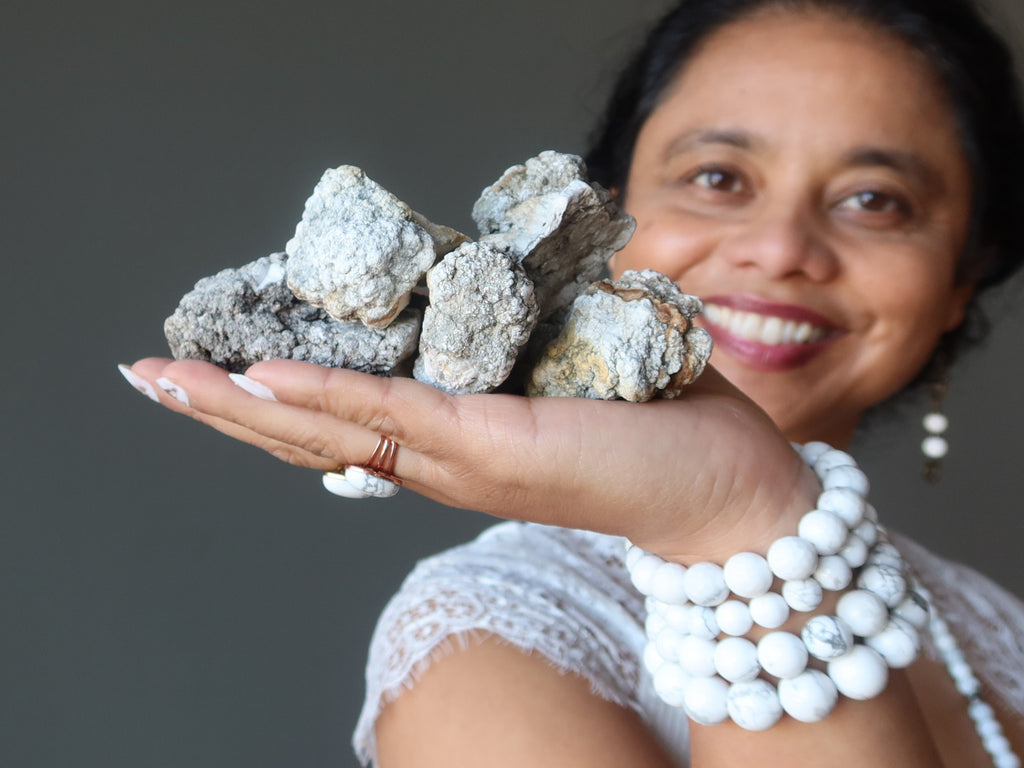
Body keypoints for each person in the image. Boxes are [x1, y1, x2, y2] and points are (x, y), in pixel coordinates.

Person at [119, 0, 1024, 764]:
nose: (782, 248)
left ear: (960, 280)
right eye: (717, 176)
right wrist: (736, 517)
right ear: (600, 222)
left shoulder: (998, 628)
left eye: (875, 199)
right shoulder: (491, 638)